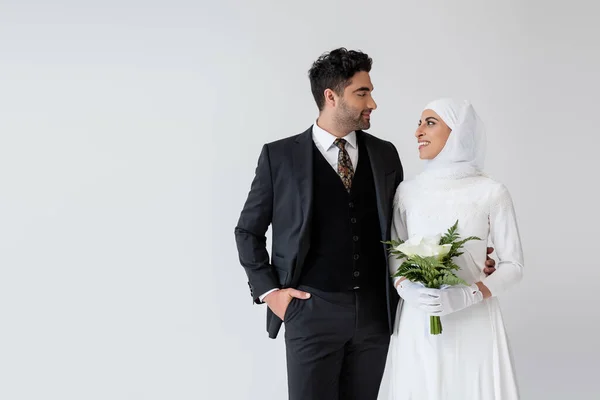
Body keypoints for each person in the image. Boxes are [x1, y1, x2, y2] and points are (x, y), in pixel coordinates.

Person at [234, 49, 496, 400]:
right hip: (310, 311)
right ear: (331, 96)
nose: (372, 102)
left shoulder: (385, 154)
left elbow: (407, 227)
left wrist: (469, 256)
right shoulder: (279, 156)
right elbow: (247, 230)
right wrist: (272, 294)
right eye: (362, 92)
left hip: (376, 314)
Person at [384, 98, 523, 400]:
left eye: (430, 122)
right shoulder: (407, 191)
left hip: (474, 320)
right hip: (419, 320)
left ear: (458, 131)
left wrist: (468, 294)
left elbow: (513, 265)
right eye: (419, 122)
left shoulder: (491, 191)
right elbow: (395, 253)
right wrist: (407, 290)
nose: (418, 132)